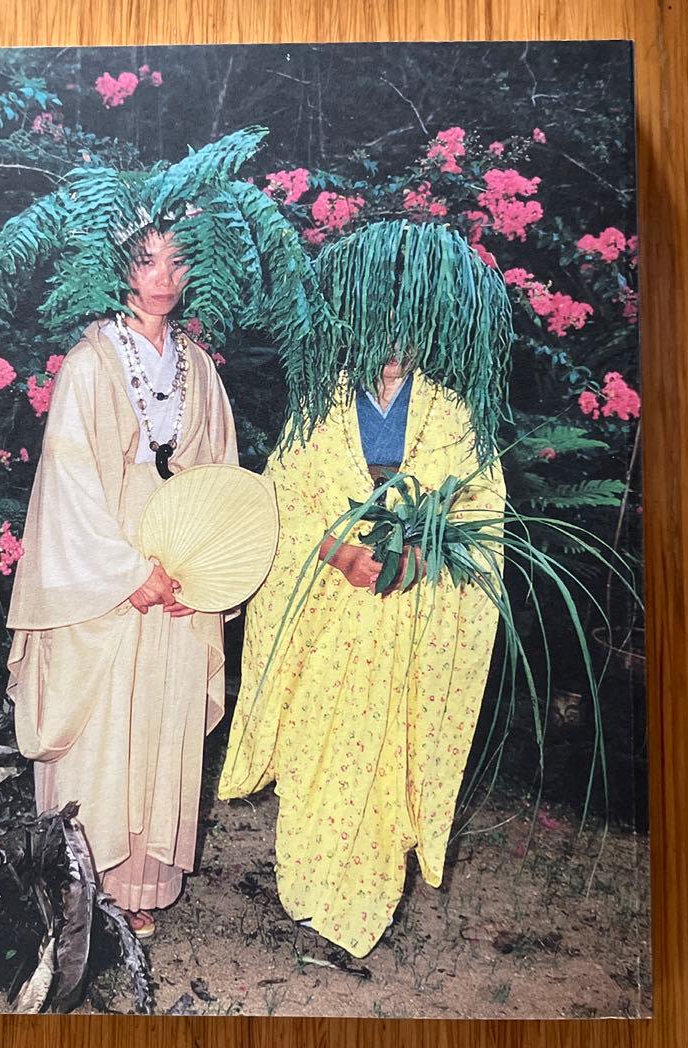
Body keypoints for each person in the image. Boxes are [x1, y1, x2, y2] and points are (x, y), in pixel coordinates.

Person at [218, 223, 512, 958]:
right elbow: (282, 503)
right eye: (377, 322)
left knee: (383, 760)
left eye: (405, 325)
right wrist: (337, 551)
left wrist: (419, 557)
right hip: (328, 610)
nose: (391, 341)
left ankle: (360, 909)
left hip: (408, 618)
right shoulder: (321, 409)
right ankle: (310, 895)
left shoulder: (453, 416)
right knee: (318, 744)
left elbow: (480, 515)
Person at [6, 224, 237, 939]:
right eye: (145, 260)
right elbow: (68, 484)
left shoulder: (200, 368)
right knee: (103, 728)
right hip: (104, 575)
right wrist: (127, 574)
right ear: (119, 268)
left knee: (162, 719)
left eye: (178, 260)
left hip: (178, 570)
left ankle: (138, 884)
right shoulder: (89, 363)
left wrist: (202, 574)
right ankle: (80, 882)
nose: (162, 277)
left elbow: (222, 476)